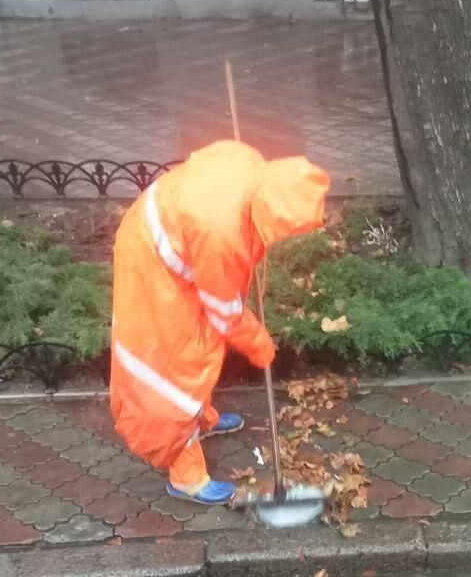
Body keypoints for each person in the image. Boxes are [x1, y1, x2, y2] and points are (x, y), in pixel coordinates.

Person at [110, 140, 330, 504]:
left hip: (172, 237)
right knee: (176, 364)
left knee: (201, 343)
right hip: (152, 262)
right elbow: (224, 311)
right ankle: (186, 475)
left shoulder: (249, 162)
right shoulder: (220, 231)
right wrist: (260, 345)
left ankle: (202, 418)